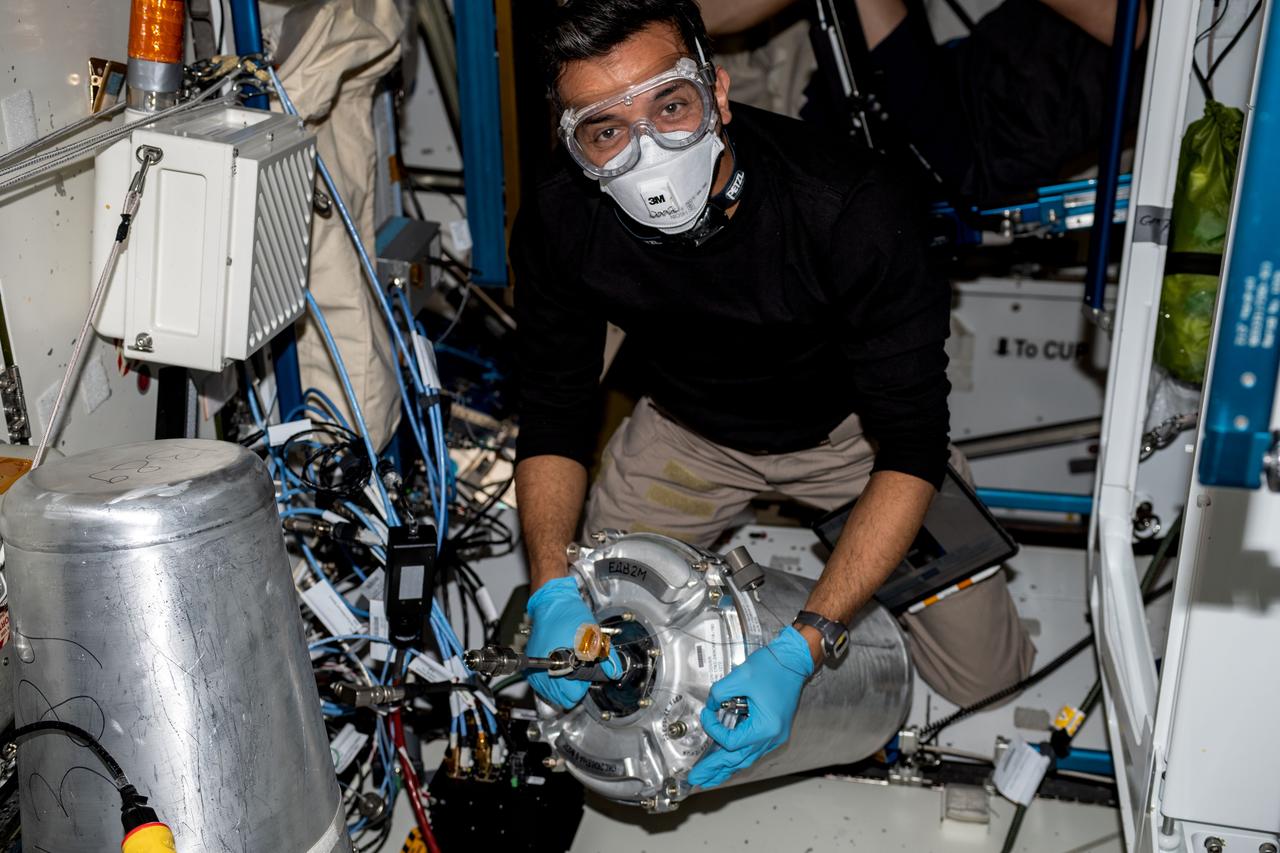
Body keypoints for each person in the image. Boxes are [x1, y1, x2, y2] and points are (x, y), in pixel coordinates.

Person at [510, 0, 1034, 790]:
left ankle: (856, 595)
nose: (648, 151)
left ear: (717, 93)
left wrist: (805, 643)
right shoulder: (560, 215)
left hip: (851, 442)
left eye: (672, 107)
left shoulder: (852, 204)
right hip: (687, 435)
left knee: (987, 679)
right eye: (606, 130)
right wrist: (551, 586)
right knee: (589, 647)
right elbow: (554, 414)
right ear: (571, 143)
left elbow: (912, 447)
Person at [701, 0, 1150, 206]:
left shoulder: (1161, 27)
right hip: (956, 87)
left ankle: (667, 19)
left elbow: (1134, 28)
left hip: (970, 146)